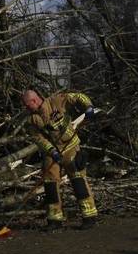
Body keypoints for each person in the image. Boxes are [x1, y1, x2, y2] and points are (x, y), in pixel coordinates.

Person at [21, 88, 99, 230]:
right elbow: (38, 138)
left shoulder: (56, 101)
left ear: (34, 100)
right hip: (53, 152)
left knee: (78, 179)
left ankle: (89, 216)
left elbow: (78, 96)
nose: (26, 108)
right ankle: (54, 219)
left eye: (27, 105)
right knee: (50, 182)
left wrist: (89, 107)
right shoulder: (31, 120)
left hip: (71, 147)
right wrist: (51, 151)